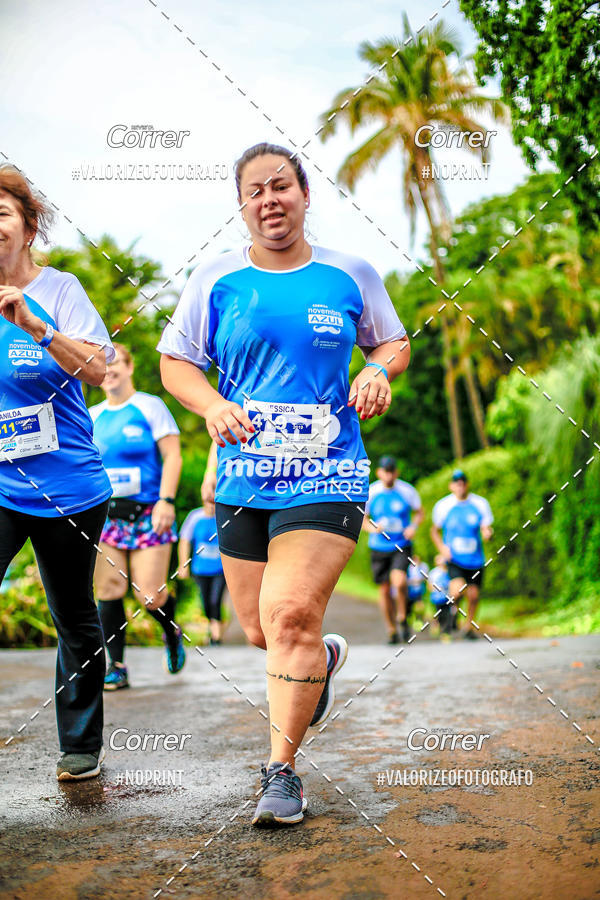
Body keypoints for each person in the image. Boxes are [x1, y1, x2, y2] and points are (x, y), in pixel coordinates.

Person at [157, 142, 410, 826]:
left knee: (291, 612)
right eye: (254, 191)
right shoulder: (215, 279)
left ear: (305, 194)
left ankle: (282, 772)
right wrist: (211, 406)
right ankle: (322, 659)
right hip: (243, 477)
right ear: (241, 205)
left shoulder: (348, 274)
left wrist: (377, 369)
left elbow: (393, 341)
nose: (269, 200)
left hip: (328, 471)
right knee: (261, 630)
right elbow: (175, 363)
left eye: (281, 186)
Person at [0, 164, 115, 780]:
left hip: (69, 483)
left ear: (27, 225)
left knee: (72, 614)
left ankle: (80, 744)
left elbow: (99, 369)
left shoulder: (62, 289)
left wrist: (37, 326)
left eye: (1, 213)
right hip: (1, 482)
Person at [89, 343, 185, 689]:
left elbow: (172, 456)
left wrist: (166, 500)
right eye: (104, 364)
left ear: (129, 367)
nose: (110, 369)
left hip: (148, 513)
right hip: (106, 517)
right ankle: (115, 666)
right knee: (110, 589)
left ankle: (171, 630)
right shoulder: (93, 415)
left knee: (149, 595)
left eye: (116, 362)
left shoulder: (149, 406)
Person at [362, 456, 424, 644]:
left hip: (401, 545)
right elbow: (362, 518)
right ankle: (391, 630)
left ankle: (403, 617)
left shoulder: (407, 491)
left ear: (396, 472)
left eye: (391, 471)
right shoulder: (372, 492)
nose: (388, 475)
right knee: (384, 590)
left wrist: (413, 527)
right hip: (379, 547)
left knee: (400, 581)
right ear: (379, 472)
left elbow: (420, 512)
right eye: (385, 471)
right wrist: (372, 528)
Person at [431, 469, 493, 639]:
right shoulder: (443, 506)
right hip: (454, 558)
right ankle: (453, 611)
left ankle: (468, 628)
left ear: (467, 484)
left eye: (463, 483)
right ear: (451, 486)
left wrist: (488, 533)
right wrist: (442, 548)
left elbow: (486, 526)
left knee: (473, 595)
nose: (460, 486)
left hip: (475, 559)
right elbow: (434, 531)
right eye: (457, 483)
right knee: (457, 591)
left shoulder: (480, 504)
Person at [178, 498, 227, 645]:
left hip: (220, 568)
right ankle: (211, 630)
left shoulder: (222, 516)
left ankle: (216, 636)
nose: (211, 506)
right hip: (200, 569)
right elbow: (185, 541)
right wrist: (183, 565)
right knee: (205, 601)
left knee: (215, 599)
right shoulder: (195, 517)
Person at [428, 554, 452, 639]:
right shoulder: (434, 573)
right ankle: (435, 626)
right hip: (437, 598)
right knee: (438, 614)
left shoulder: (449, 571)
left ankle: (446, 632)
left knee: (448, 614)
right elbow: (430, 585)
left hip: (447, 597)